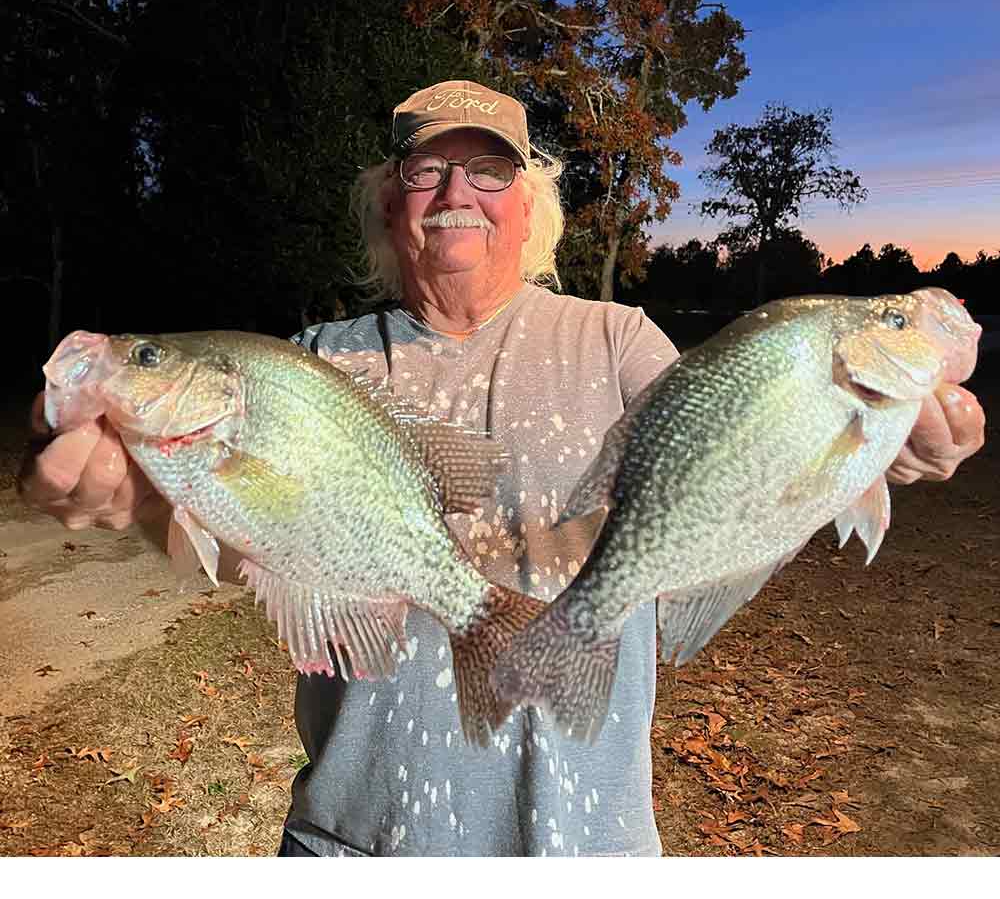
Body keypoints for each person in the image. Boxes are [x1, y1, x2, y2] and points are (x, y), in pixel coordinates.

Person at [18, 79, 986, 857]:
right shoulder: (316, 357)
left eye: (487, 170)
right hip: (354, 838)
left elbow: (729, 449)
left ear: (530, 204)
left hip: (582, 840)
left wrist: (889, 453)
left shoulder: (619, 340)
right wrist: (147, 506)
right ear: (389, 201)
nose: (454, 194)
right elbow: (251, 555)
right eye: (424, 169)